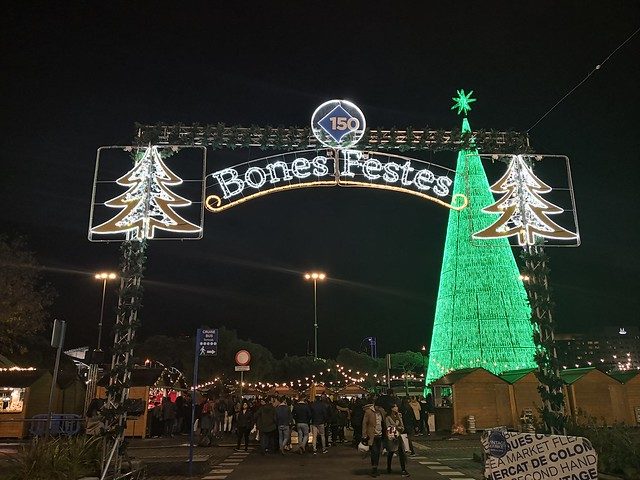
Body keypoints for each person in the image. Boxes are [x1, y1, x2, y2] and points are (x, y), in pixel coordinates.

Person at [362, 398, 386, 478]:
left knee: (378, 452)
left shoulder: (381, 411)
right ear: (375, 405)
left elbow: (384, 422)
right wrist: (364, 434)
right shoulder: (369, 412)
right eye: (378, 407)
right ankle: (374, 469)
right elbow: (364, 423)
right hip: (371, 435)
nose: (379, 409)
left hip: (380, 434)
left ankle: (375, 467)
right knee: (374, 452)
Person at [385, 403, 410, 477]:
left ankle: (403, 469)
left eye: (396, 406)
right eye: (395, 407)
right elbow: (388, 427)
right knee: (391, 452)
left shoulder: (399, 416)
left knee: (401, 453)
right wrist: (396, 427)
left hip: (399, 436)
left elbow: (402, 426)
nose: (396, 408)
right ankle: (388, 467)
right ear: (391, 408)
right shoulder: (388, 417)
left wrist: (399, 428)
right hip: (392, 437)